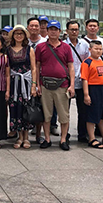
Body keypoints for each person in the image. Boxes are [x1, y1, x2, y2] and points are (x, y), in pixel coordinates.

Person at [34, 20, 74, 151]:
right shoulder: (41, 47)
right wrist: (37, 85)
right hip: (45, 85)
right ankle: (47, 138)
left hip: (62, 84)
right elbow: (37, 67)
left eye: (55, 29)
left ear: (59, 32)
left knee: (64, 115)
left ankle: (63, 139)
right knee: (47, 114)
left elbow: (71, 67)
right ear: (47, 31)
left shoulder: (66, 47)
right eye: (50, 29)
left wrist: (72, 85)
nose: (53, 32)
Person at [7, 25, 37, 148]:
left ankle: (26, 137)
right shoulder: (8, 50)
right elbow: (7, 69)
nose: (18, 36)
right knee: (15, 109)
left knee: (26, 108)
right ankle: (19, 137)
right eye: (16, 33)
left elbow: (34, 68)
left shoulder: (29, 49)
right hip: (14, 83)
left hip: (26, 82)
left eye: (21, 33)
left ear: (24, 36)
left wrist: (34, 85)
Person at [82, 39, 103, 148]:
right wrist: (86, 94)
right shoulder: (87, 62)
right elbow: (84, 79)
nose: (98, 51)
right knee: (92, 114)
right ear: (90, 49)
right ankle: (92, 138)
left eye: (100, 49)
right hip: (93, 89)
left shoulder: (102, 62)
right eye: (96, 49)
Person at [64, 19, 90, 144]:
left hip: (81, 81)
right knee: (65, 110)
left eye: (76, 29)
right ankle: (65, 134)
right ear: (67, 31)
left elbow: (88, 61)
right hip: (66, 82)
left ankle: (82, 134)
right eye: (72, 29)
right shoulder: (63, 45)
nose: (74, 32)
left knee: (83, 110)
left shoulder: (84, 44)